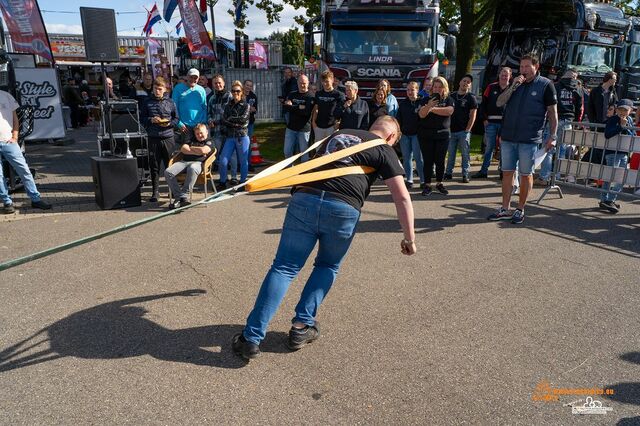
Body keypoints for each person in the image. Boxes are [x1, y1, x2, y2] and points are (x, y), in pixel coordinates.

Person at [231, 115, 416, 360]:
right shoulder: (383, 149)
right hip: (343, 209)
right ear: (392, 137)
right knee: (327, 265)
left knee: (284, 268)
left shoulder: (338, 134)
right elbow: (401, 197)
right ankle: (301, 327)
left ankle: (251, 338)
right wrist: (409, 238)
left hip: (305, 198)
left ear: (372, 128)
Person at [488, 54, 558, 224]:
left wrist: (553, 136)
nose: (523, 70)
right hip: (509, 138)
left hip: (529, 139)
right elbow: (499, 102)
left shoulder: (546, 85)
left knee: (526, 175)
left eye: (527, 66)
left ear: (536, 66)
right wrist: (513, 86)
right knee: (507, 174)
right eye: (521, 67)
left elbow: (552, 113)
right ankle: (505, 208)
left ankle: (520, 209)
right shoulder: (516, 84)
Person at [0, 90, 52, 213]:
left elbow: (15, 118)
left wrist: (15, 136)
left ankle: (35, 199)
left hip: (8, 140)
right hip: (8, 141)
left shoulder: (6, 95)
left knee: (24, 170)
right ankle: (7, 202)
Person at [537, 68, 583, 185]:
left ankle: (544, 177)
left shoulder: (554, 86)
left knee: (548, 149)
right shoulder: (578, 88)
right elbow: (580, 108)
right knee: (562, 150)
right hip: (568, 121)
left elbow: (547, 103)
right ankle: (556, 177)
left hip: (554, 120)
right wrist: (576, 122)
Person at [140, 76, 178, 202]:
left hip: (168, 137)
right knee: (154, 166)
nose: (157, 91)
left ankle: (172, 190)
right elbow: (142, 118)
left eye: (160, 89)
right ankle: (155, 192)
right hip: (153, 137)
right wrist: (151, 120)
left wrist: (169, 123)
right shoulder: (147, 102)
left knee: (170, 165)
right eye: (155, 88)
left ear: (165, 89)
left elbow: (176, 119)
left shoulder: (171, 102)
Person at [418, 76, 455, 196]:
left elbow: (449, 111)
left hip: (443, 135)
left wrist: (432, 109)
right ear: (432, 88)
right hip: (426, 135)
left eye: (440, 87)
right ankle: (427, 185)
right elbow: (422, 115)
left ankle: (439, 183)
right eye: (435, 87)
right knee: (428, 161)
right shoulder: (425, 100)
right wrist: (428, 106)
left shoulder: (449, 99)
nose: (437, 89)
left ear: (444, 88)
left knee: (440, 160)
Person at [473, 67, 512, 179]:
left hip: (505, 124)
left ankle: (502, 171)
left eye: (506, 75)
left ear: (510, 76)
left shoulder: (512, 89)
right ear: (499, 75)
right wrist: (484, 119)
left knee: (504, 148)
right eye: (502, 74)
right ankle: (484, 171)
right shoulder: (491, 87)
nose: (504, 76)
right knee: (489, 147)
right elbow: (483, 104)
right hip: (490, 123)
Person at [164, 123, 212, 209]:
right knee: (168, 172)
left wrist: (191, 149)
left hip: (198, 164)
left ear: (207, 132)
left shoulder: (209, 141)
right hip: (184, 161)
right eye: (197, 134)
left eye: (201, 133)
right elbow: (183, 149)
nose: (199, 135)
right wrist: (198, 151)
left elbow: (204, 150)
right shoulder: (191, 140)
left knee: (192, 168)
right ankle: (180, 197)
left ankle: (184, 195)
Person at [598, 99, 634, 214]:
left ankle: (609, 199)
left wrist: (626, 126)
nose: (622, 112)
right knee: (610, 177)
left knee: (622, 179)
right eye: (620, 109)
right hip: (612, 153)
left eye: (625, 110)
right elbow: (608, 134)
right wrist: (620, 126)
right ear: (616, 109)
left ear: (630, 111)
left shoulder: (629, 120)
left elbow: (632, 136)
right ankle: (606, 200)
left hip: (624, 153)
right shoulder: (613, 119)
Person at [218, 80, 251, 190]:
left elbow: (243, 119)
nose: (235, 93)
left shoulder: (246, 105)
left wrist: (231, 120)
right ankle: (222, 181)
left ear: (241, 92)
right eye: (233, 91)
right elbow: (224, 120)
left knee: (243, 161)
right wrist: (234, 122)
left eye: (237, 91)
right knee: (223, 160)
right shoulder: (228, 106)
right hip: (230, 136)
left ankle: (242, 182)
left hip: (242, 136)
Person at [444, 74, 477, 183]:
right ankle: (448, 173)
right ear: (460, 82)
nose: (465, 83)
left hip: (464, 131)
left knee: (465, 154)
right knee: (451, 153)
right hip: (451, 131)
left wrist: (468, 129)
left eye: (468, 82)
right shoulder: (451, 96)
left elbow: (473, 115)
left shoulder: (471, 97)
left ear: (470, 85)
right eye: (464, 81)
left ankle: (465, 174)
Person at [396, 81, 425, 190]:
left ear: (417, 90)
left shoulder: (422, 102)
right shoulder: (403, 104)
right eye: (408, 90)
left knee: (419, 158)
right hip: (405, 135)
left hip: (417, 135)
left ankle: (422, 180)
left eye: (412, 89)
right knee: (407, 158)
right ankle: (409, 180)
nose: (410, 92)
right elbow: (398, 120)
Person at [207, 74, 235, 182]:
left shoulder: (229, 96)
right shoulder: (212, 98)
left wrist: (221, 122)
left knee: (232, 155)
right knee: (218, 155)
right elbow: (209, 113)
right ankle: (223, 177)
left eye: (219, 82)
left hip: (228, 131)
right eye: (215, 83)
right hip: (216, 132)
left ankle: (233, 177)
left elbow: (232, 113)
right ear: (213, 85)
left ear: (223, 83)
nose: (217, 85)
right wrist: (210, 121)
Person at [283, 74, 314, 162]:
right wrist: (298, 107)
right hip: (291, 128)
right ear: (297, 83)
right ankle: (289, 171)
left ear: (308, 83)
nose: (302, 85)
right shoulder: (292, 94)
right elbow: (286, 108)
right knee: (287, 151)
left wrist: (293, 107)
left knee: (304, 154)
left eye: (304, 83)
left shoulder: (310, 96)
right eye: (300, 83)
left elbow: (306, 112)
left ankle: (303, 174)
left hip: (304, 130)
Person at [172, 68, 207, 145]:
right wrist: (179, 122)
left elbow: (204, 107)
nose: (193, 79)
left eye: (195, 78)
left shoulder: (201, 90)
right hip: (184, 126)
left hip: (199, 126)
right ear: (187, 77)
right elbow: (174, 107)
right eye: (191, 77)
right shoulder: (178, 88)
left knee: (201, 149)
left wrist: (203, 123)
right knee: (187, 150)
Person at [312, 70, 345, 141]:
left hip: (332, 127)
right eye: (323, 81)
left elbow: (343, 110)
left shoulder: (339, 95)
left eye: (327, 81)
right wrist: (313, 122)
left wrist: (338, 123)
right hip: (319, 126)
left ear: (332, 80)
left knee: (331, 149)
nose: (325, 84)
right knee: (319, 150)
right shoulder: (318, 93)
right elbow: (315, 107)